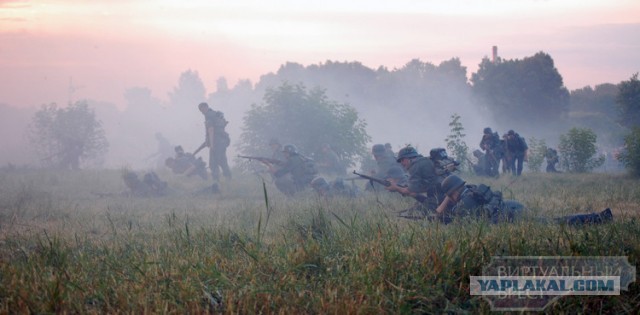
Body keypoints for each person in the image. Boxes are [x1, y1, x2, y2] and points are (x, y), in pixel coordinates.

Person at [435, 175, 613, 225]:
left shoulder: (465, 202)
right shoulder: (472, 189)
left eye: (450, 196)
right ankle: (597, 217)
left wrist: (446, 201)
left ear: (452, 193)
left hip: (512, 216)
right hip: (513, 206)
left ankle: (598, 217)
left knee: (555, 222)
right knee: (553, 221)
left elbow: (441, 219)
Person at [385, 146, 444, 214]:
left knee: (409, 214)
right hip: (442, 197)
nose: (401, 163)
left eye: (402, 160)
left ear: (409, 158)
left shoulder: (415, 166)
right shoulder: (425, 161)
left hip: (437, 200)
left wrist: (395, 187)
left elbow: (409, 191)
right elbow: (417, 190)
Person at [197, 102, 232, 193]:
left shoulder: (208, 116)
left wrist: (212, 145)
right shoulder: (216, 114)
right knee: (222, 161)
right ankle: (229, 181)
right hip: (222, 142)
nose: (202, 112)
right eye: (201, 111)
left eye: (202, 110)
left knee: (213, 163)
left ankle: (216, 184)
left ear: (205, 107)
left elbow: (211, 130)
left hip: (216, 143)